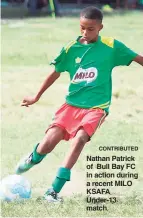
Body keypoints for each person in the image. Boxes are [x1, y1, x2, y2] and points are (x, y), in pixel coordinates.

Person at [15, 6, 143, 202]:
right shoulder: (70, 48)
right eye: (82, 28)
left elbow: (138, 59)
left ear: (100, 27)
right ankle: (33, 158)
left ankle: (53, 191)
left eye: (90, 29)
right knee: (48, 143)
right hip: (71, 106)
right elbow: (55, 72)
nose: (85, 32)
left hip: (96, 108)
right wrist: (36, 96)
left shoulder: (111, 46)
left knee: (80, 139)